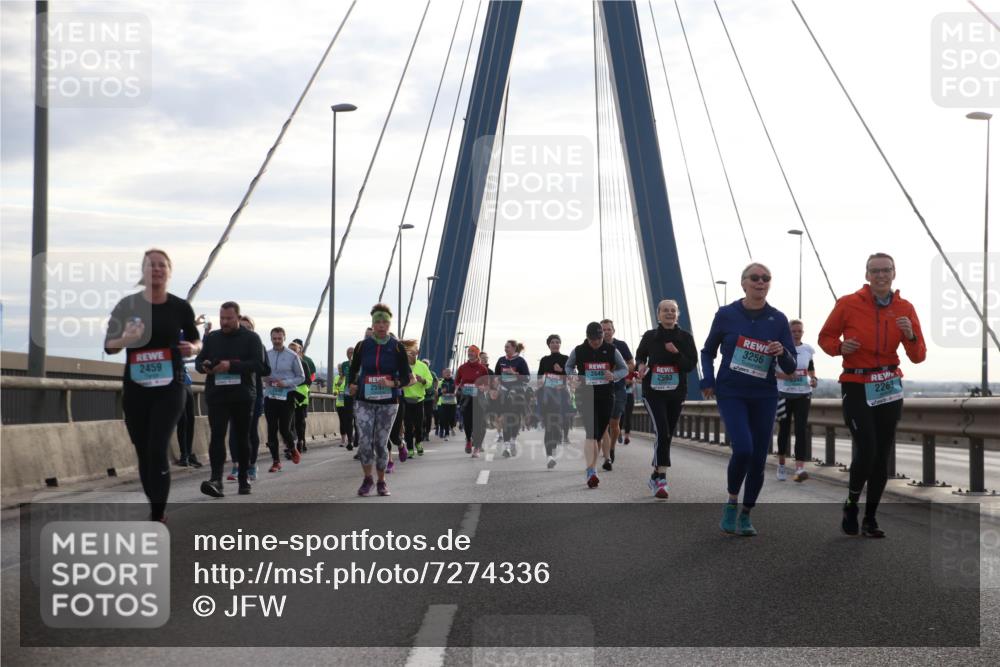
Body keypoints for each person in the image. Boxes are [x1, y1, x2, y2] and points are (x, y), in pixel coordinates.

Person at [819, 252, 925, 538]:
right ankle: (852, 504)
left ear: (894, 273)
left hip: (889, 385)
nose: (881, 275)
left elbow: (918, 356)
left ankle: (870, 518)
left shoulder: (905, 307)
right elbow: (825, 338)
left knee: (881, 456)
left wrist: (911, 334)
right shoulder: (848, 304)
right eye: (875, 271)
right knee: (867, 449)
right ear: (867, 275)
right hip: (857, 384)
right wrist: (841, 348)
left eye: (886, 270)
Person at [104, 248, 201, 522]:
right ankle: (155, 505)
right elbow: (109, 346)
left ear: (169, 272)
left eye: (162, 265)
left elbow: (196, 341)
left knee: (158, 446)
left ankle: (157, 513)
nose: (157, 269)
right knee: (144, 450)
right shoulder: (127, 306)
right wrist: (125, 338)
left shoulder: (180, 307)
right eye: (151, 265)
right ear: (143, 271)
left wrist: (192, 348)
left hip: (171, 385)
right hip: (136, 388)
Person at [701, 263, 797, 536]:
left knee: (757, 457)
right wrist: (707, 379)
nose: (760, 282)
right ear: (743, 283)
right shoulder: (726, 314)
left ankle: (746, 513)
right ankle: (732, 502)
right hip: (732, 391)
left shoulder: (777, 319)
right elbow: (708, 352)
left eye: (766, 278)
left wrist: (781, 352)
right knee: (742, 448)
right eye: (754, 278)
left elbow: (789, 367)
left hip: (764, 394)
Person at [195, 301, 270, 497]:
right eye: (222, 318)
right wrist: (204, 365)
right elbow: (198, 361)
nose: (224, 322)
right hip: (217, 395)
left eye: (229, 318)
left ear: (237, 317)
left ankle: (244, 478)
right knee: (217, 437)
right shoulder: (212, 338)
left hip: (242, 395)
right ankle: (216, 480)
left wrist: (231, 366)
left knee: (242, 437)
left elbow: (260, 366)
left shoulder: (251, 338)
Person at [635, 299, 698, 498]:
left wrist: (676, 354)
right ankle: (662, 479)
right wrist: (641, 367)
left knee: (668, 434)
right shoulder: (650, 336)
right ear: (658, 314)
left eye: (673, 310)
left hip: (676, 392)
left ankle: (655, 474)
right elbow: (640, 357)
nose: (669, 313)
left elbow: (690, 365)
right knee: (662, 432)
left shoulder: (685, 338)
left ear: (677, 314)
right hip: (653, 392)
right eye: (665, 310)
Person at [348, 304, 413, 496]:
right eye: (378, 322)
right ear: (373, 324)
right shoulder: (363, 346)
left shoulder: (397, 347)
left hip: (388, 402)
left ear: (389, 324)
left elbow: (406, 377)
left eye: (385, 322)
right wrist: (351, 384)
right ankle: (368, 479)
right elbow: (353, 369)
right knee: (365, 442)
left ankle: (382, 481)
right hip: (364, 401)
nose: (381, 325)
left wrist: (394, 384)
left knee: (380, 443)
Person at [566, 322, 629, 488]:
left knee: (599, 434)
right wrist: (572, 376)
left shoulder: (612, 350)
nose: (596, 342)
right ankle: (591, 471)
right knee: (591, 433)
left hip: (606, 396)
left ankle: (595, 465)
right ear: (587, 337)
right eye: (593, 339)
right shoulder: (579, 350)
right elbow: (569, 365)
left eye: (599, 338)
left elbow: (625, 369)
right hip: (585, 395)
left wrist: (614, 375)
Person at [775, 319, 818, 483]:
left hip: (803, 394)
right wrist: (785, 375)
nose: (797, 334)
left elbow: (811, 369)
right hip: (784, 394)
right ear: (788, 332)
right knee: (784, 430)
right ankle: (781, 466)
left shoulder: (808, 350)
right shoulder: (780, 349)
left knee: (801, 431)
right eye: (793, 331)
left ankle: (799, 469)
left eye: (799, 331)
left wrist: (814, 379)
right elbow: (771, 372)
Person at [263, 327, 305, 472]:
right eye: (274, 338)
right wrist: (265, 379)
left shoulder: (292, 356)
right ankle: (276, 461)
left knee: (284, 428)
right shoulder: (266, 355)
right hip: (270, 395)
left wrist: (285, 383)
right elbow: (260, 372)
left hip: (286, 396)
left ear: (284, 338)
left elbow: (301, 377)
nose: (277, 341)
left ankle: (292, 448)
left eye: (279, 338)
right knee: (271, 428)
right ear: (271, 338)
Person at [228, 314, 264, 481]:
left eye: (248, 328)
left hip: (253, 393)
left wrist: (247, 365)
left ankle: (251, 464)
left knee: (250, 431)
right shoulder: (228, 345)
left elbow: (266, 369)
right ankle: (236, 465)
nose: (245, 331)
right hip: (232, 392)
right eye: (241, 327)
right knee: (234, 430)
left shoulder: (258, 346)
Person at [600, 319, 635, 471]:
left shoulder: (621, 345)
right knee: (604, 424)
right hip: (601, 389)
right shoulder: (596, 346)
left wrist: (616, 371)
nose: (606, 332)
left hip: (619, 389)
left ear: (613, 330)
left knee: (615, 424)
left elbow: (631, 364)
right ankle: (607, 455)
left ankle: (612, 448)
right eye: (603, 329)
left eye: (609, 329)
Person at [537, 334, 569, 469]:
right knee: (549, 426)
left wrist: (561, 371)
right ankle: (549, 456)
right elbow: (539, 377)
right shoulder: (544, 360)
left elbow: (572, 377)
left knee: (557, 427)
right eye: (552, 342)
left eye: (557, 342)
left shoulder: (566, 359)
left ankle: (554, 446)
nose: (555, 344)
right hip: (547, 397)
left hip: (561, 396)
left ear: (560, 344)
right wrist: (541, 383)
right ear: (548, 345)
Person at [495, 340, 530, 458]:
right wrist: (496, 383)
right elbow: (496, 376)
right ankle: (507, 447)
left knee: (515, 420)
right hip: (504, 393)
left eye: (508, 347)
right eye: (505, 347)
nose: (505, 349)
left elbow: (527, 378)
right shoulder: (501, 360)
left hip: (517, 394)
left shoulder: (520, 361)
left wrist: (514, 374)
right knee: (505, 419)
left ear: (514, 348)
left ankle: (513, 441)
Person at [401, 341, 434, 457]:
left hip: (419, 400)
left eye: (413, 352)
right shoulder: (403, 366)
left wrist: (422, 380)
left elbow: (429, 382)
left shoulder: (422, 366)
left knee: (419, 425)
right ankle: (410, 448)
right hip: (406, 399)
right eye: (409, 352)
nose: (411, 354)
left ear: (417, 352)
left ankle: (419, 443)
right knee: (408, 426)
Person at [455, 346, 490, 455]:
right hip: (466, 398)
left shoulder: (482, 368)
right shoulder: (462, 368)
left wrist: (483, 387)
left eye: (472, 352)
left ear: (477, 354)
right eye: (469, 351)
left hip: (478, 398)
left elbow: (487, 384)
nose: (470, 353)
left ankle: (477, 448)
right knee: (467, 422)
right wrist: (459, 388)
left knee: (479, 423)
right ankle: (469, 440)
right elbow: (456, 381)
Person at [290, 338, 317, 454]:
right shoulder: (287, 363)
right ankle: (292, 443)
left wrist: (296, 384)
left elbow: (309, 379)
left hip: (301, 395)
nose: (292, 352)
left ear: (299, 350)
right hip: (289, 394)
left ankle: (301, 441)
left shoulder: (305, 363)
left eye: (295, 350)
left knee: (300, 420)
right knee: (290, 421)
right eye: (290, 350)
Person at [175, 365, 202, 468]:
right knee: (182, 421)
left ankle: (189, 453)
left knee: (190, 420)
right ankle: (184, 454)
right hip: (176, 384)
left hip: (186, 382)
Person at [437, 368, 457, 439]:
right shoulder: (440, 383)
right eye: (446, 373)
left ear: (451, 373)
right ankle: (447, 433)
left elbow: (459, 391)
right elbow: (437, 393)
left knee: (452, 418)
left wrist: (455, 393)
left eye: (449, 372)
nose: (448, 374)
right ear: (443, 374)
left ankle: (452, 427)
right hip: (444, 403)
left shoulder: (455, 382)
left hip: (452, 403)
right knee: (445, 418)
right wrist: (441, 392)